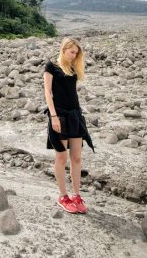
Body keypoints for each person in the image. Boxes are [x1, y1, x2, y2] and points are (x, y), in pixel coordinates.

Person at [43, 37, 94, 214]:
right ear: (64, 49)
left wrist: (78, 114)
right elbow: (47, 93)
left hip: (74, 115)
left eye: (76, 53)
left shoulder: (72, 67)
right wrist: (54, 116)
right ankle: (63, 197)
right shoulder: (51, 66)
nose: (74, 55)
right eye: (72, 52)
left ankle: (76, 195)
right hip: (59, 115)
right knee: (62, 157)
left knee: (77, 157)